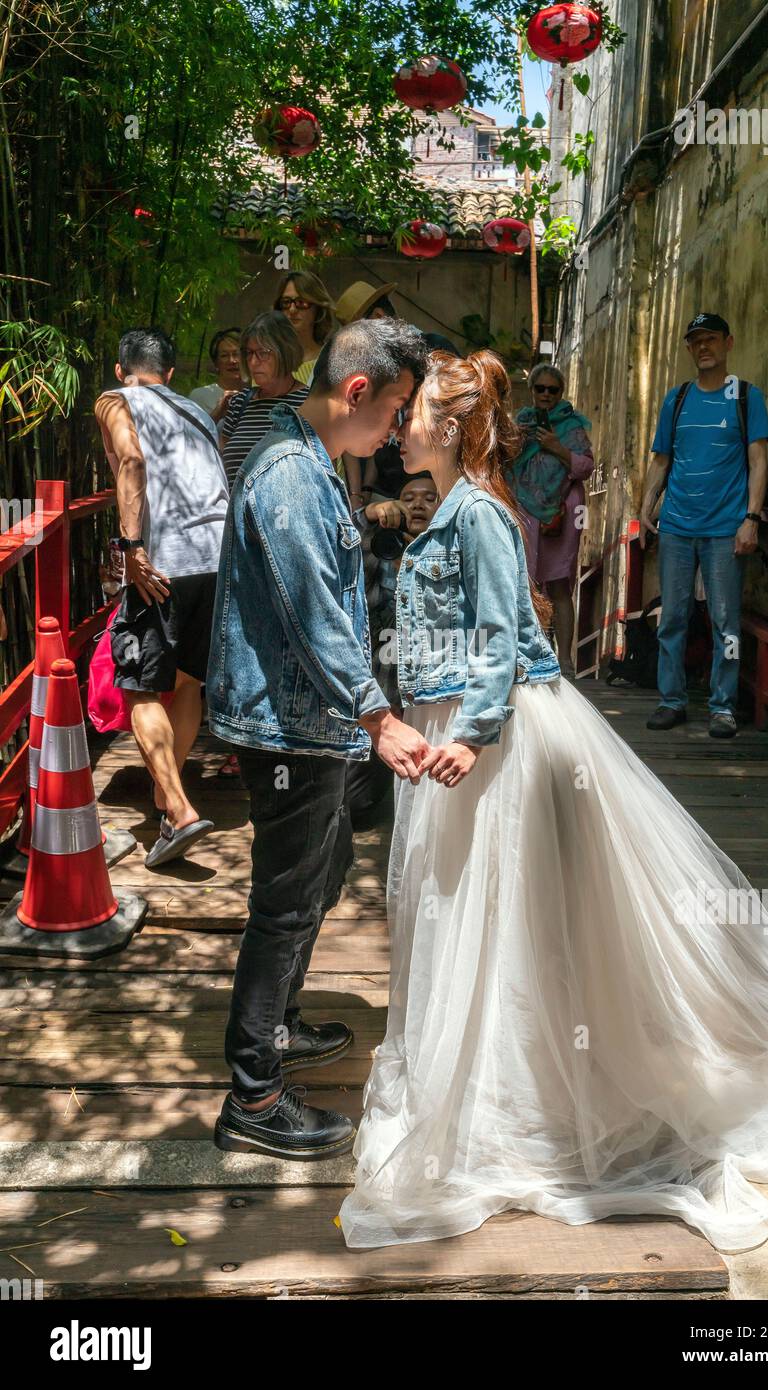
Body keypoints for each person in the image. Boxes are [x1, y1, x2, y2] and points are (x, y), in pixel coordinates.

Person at [336, 348, 768, 1254]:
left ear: (454, 427)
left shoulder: (481, 516)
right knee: (471, 909)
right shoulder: (453, 506)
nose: (404, 425)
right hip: (456, 728)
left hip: (494, 737)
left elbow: (503, 637)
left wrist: (469, 732)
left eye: (418, 411)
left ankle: (523, 1088)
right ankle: (493, 1073)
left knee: (503, 908)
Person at [207, 318, 432, 1161]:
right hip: (291, 726)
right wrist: (377, 716)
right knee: (287, 902)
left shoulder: (309, 458)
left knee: (321, 875)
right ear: (359, 392)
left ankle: (281, 1023)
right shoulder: (293, 475)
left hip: (311, 720)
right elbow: (313, 616)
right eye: (397, 410)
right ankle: (254, 1094)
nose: (400, 430)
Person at [94, 329, 228, 869]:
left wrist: (129, 546)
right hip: (219, 557)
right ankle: (169, 806)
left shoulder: (113, 399)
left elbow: (130, 460)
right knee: (188, 681)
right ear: (171, 374)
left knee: (141, 688)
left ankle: (177, 805)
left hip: (165, 561)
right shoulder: (197, 412)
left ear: (122, 369)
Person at [639, 313, 768, 738]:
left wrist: (751, 519)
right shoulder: (676, 399)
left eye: (711, 339)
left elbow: (757, 462)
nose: (703, 347)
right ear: (690, 348)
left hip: (724, 529)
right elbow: (661, 460)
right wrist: (646, 507)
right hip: (677, 525)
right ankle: (671, 700)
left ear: (728, 343)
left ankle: (722, 707)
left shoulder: (746, 397)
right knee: (672, 617)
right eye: (695, 341)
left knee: (725, 621)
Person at [344, 471, 440, 819]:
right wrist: (367, 514)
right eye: (409, 496)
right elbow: (334, 541)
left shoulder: (453, 552)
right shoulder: (375, 550)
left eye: (430, 497)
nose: (417, 503)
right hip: (378, 703)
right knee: (357, 806)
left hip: (432, 701)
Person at [334, 280, 460, 509]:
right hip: (384, 492)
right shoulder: (371, 367)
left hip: (431, 493)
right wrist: (365, 489)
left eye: (359, 337)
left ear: (379, 318)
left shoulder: (435, 351)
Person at [506, 363, 594, 681]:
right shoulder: (521, 423)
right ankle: (533, 654)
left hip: (561, 513)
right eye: (539, 388)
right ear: (532, 391)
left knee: (559, 585)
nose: (545, 394)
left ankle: (566, 663)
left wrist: (557, 447)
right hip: (525, 509)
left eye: (552, 389)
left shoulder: (571, 427)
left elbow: (585, 467)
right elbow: (505, 462)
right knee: (527, 583)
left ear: (561, 392)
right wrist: (517, 441)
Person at [219, 311, 309, 493]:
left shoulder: (307, 402)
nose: (253, 362)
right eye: (249, 353)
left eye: (262, 353)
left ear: (285, 351)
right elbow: (219, 464)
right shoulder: (239, 403)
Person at [274, 270, 336, 386]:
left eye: (301, 302)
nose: (292, 310)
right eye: (286, 302)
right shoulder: (267, 362)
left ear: (318, 308)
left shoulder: (333, 361)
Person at [189, 328, 242, 418]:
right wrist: (218, 412)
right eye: (224, 355)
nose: (232, 361)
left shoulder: (258, 395)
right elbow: (193, 431)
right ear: (216, 363)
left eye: (236, 354)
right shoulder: (200, 396)